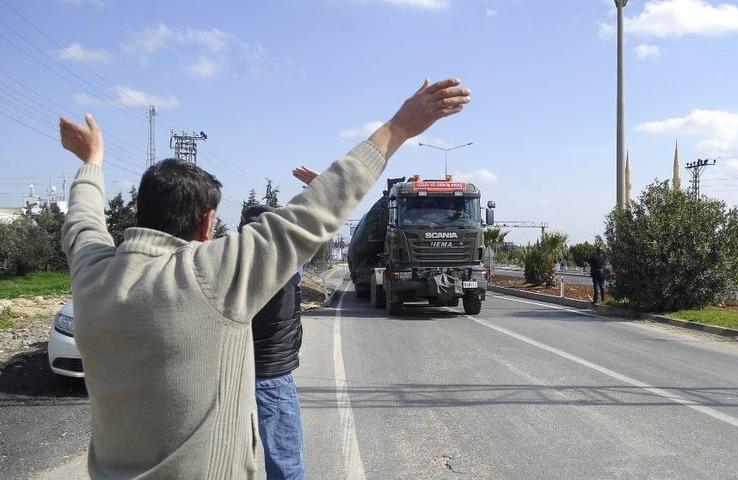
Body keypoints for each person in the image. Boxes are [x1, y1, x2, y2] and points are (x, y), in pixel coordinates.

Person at [59, 78, 470, 479]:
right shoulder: (210, 276)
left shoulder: (93, 276)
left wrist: (91, 164)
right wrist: (399, 128)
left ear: (139, 213)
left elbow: (83, 222)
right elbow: (315, 211)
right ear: (207, 225)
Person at [242, 205, 305, 480]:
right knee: (284, 463)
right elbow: (316, 227)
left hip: (232, 376)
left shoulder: (227, 268)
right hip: (273, 377)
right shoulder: (289, 266)